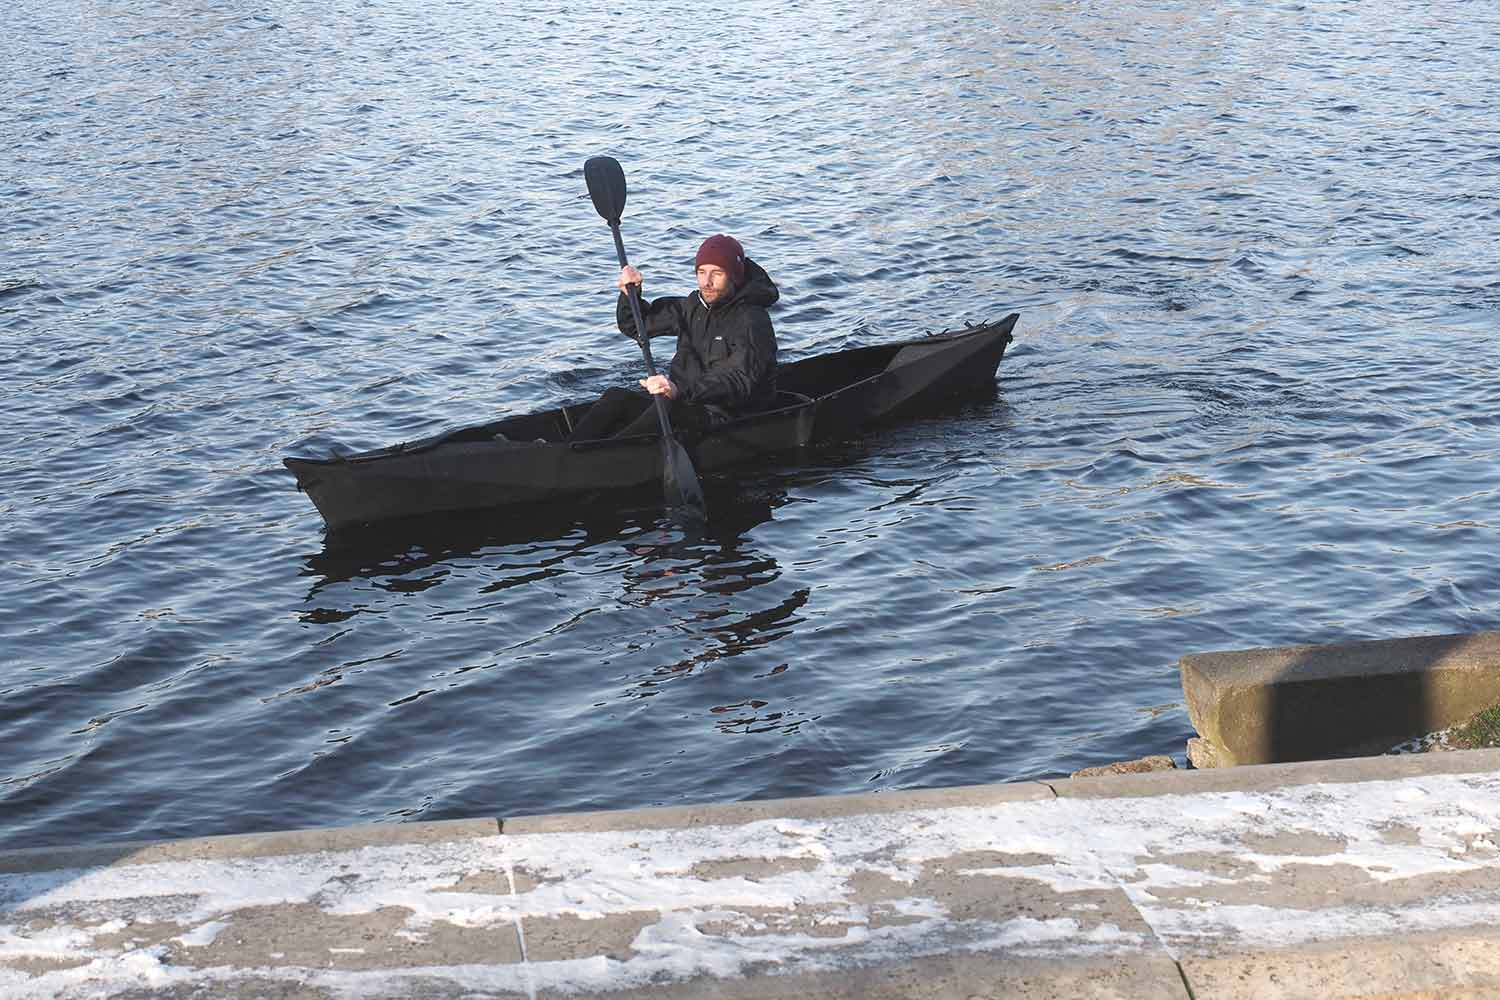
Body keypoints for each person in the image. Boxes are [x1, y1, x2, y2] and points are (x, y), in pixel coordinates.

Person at [569, 234, 779, 441]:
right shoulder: (693, 306)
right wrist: (630, 294)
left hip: (726, 415)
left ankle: (597, 456)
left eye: (717, 273)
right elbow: (636, 326)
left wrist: (680, 390)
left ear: (734, 276)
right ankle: (569, 447)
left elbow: (738, 379)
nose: (706, 282)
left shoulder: (752, 320)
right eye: (701, 272)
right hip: (684, 402)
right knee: (617, 397)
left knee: (664, 409)